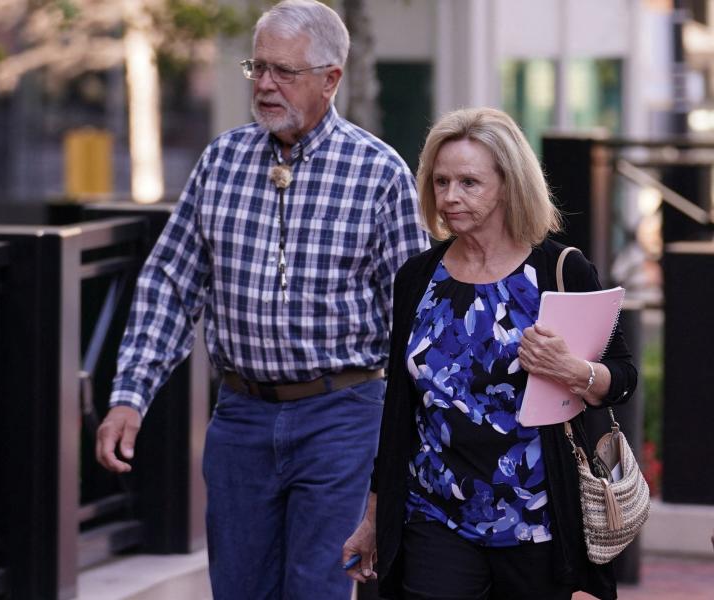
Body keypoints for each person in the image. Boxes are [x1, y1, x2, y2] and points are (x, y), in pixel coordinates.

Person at [94, 0, 429, 597]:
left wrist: (413, 441)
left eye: (285, 71)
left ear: (331, 79)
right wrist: (129, 396)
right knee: (239, 589)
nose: (267, 85)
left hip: (342, 417)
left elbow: (415, 322)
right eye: (259, 68)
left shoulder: (380, 174)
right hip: (240, 417)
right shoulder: (221, 162)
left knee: (317, 589)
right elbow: (171, 283)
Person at [342, 107, 637, 599]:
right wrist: (373, 517)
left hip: (536, 523)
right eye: (441, 182)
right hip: (434, 516)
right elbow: (398, 410)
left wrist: (574, 370)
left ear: (508, 183)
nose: (451, 197)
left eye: (469, 183)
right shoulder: (418, 279)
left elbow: (623, 376)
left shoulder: (559, 271)